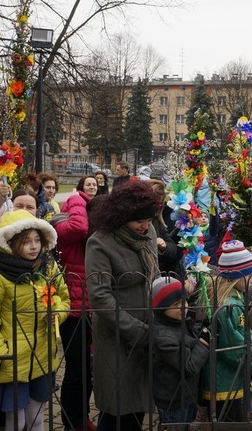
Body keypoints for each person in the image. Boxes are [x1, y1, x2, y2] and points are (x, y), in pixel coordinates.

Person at [0, 210, 70, 431]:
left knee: (37, 417)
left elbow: (63, 297)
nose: (34, 246)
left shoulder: (48, 267)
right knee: (15, 421)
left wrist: (57, 312)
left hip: (42, 355)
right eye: (26, 241)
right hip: (13, 359)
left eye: (37, 240)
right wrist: (1, 354)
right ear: (10, 243)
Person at [85, 180, 162, 430]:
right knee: (117, 407)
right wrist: (136, 330)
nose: (146, 226)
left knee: (139, 404)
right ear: (122, 216)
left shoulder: (148, 233)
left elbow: (155, 276)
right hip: (118, 335)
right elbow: (100, 296)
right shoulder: (100, 242)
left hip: (148, 331)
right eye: (140, 221)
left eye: (149, 220)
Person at [200, 240, 252, 422]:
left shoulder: (233, 299)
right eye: (249, 275)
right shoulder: (230, 306)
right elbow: (237, 347)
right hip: (226, 382)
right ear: (237, 276)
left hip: (229, 377)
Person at [54, 175, 98, 431]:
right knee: (76, 370)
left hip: (90, 306)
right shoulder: (63, 226)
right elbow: (80, 227)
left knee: (87, 369)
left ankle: (82, 416)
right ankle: (72, 421)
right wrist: (75, 197)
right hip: (73, 309)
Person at [150, 276, 210, 424]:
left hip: (187, 394)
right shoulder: (163, 336)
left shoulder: (178, 321)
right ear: (161, 308)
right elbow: (189, 365)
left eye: (185, 300)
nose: (183, 306)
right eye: (176, 304)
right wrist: (203, 342)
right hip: (173, 400)